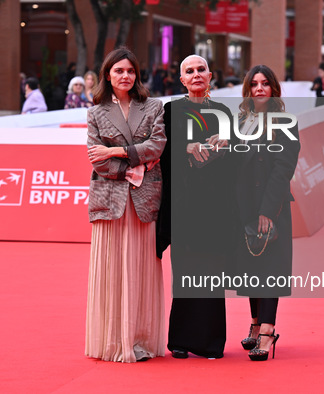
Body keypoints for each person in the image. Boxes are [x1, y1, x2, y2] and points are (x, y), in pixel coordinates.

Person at [85, 47, 166, 363]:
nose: (125, 76)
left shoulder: (154, 107)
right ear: (108, 74)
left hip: (144, 200)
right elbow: (96, 160)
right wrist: (136, 163)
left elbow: (157, 145)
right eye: (119, 71)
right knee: (112, 270)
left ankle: (140, 340)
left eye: (130, 71)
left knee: (141, 269)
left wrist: (116, 152)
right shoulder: (95, 112)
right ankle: (112, 342)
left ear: (137, 75)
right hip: (110, 200)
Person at [157, 54, 236, 360]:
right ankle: (180, 340)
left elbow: (235, 160)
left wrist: (226, 145)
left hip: (215, 206)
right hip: (184, 205)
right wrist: (186, 148)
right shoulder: (171, 110)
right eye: (189, 71)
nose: (196, 74)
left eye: (201, 69)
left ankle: (212, 343)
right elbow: (161, 153)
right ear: (182, 80)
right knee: (186, 273)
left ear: (210, 74)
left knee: (213, 275)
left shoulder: (222, 112)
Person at [234, 65, 300, 361]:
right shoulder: (241, 121)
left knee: (269, 268)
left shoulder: (285, 122)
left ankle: (268, 329)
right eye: (254, 84)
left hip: (270, 206)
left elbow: (283, 168)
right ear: (248, 90)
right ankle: (255, 321)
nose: (259, 89)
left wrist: (267, 211)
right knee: (251, 264)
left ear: (274, 89)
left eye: (265, 84)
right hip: (244, 205)